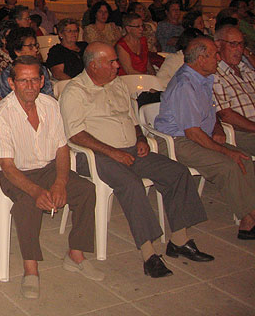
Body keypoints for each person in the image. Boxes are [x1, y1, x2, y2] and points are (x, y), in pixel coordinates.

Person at [60, 42, 213, 277]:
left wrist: (141, 138)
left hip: (130, 150)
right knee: (131, 183)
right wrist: (113, 152)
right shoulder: (75, 91)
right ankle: (149, 253)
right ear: (93, 66)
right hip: (94, 155)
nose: (117, 66)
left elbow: (133, 120)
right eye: (110, 62)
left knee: (177, 172)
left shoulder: (118, 84)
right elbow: (75, 134)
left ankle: (179, 240)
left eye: (115, 60)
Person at [0, 56, 103, 299]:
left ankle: (76, 253)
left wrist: (60, 182)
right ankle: (31, 268)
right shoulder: (0, 115)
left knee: (85, 190)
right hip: (16, 173)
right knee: (28, 204)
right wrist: (37, 191)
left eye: (34, 80)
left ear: (42, 81)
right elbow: (7, 167)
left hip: (48, 167)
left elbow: (62, 148)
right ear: (11, 82)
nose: (29, 86)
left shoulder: (50, 105)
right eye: (23, 80)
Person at [155, 36, 255, 241]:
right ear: (201, 59)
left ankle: (248, 220)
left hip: (199, 136)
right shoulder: (186, 84)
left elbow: (211, 113)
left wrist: (217, 128)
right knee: (227, 164)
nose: (218, 59)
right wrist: (226, 150)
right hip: (176, 141)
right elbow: (192, 132)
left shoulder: (203, 78)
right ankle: (250, 217)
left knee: (244, 158)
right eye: (214, 55)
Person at [213, 25, 255, 151]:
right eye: (233, 44)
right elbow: (226, 115)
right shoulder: (215, 74)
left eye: (241, 44)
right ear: (218, 45)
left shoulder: (247, 71)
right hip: (242, 132)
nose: (239, 49)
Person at [0, 27, 52, 98]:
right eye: (30, 46)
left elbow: (48, 96)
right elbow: (8, 101)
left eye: (35, 45)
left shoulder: (42, 69)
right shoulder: (7, 74)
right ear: (17, 51)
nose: (35, 49)